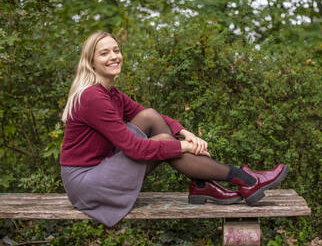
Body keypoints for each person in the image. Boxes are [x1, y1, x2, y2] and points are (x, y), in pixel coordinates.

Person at [60, 31, 289, 227]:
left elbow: (149, 115)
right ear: (90, 61)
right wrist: (184, 147)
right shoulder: (92, 97)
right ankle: (240, 178)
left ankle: (204, 184)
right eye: (104, 53)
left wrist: (185, 133)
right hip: (87, 183)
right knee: (160, 140)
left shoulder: (110, 93)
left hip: (101, 168)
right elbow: (134, 148)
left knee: (149, 116)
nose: (114, 57)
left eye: (116, 50)